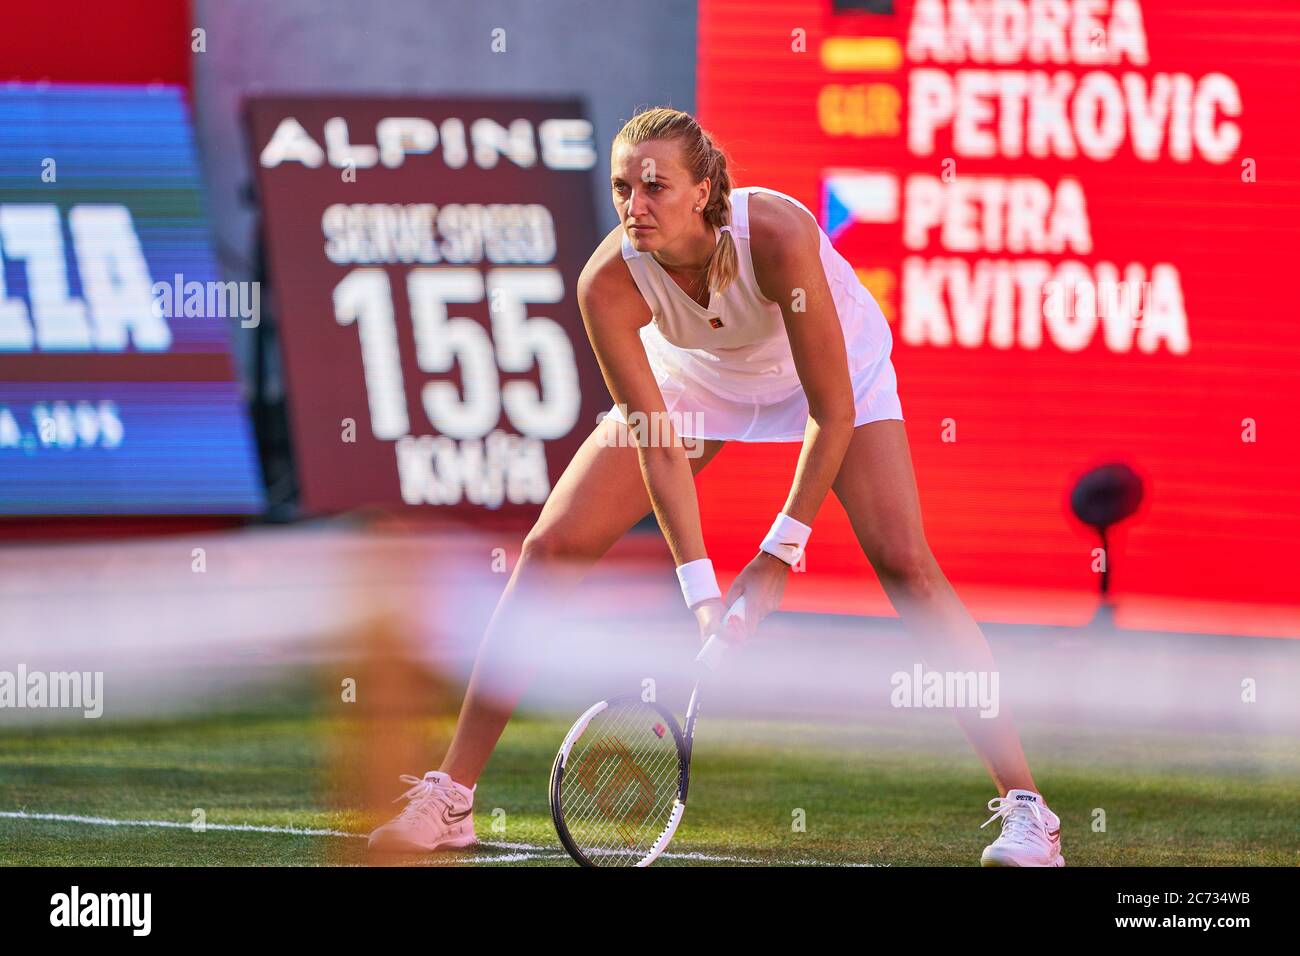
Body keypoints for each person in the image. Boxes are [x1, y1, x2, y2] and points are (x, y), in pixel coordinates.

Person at [368, 107, 1063, 867]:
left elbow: (832, 414)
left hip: (829, 376)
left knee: (905, 562)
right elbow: (656, 443)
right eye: (621, 187)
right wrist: (702, 593)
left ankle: (1031, 813)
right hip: (700, 382)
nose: (635, 205)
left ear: (703, 191)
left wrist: (776, 557)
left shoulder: (778, 236)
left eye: (655, 186)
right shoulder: (607, 285)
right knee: (552, 544)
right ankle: (452, 796)